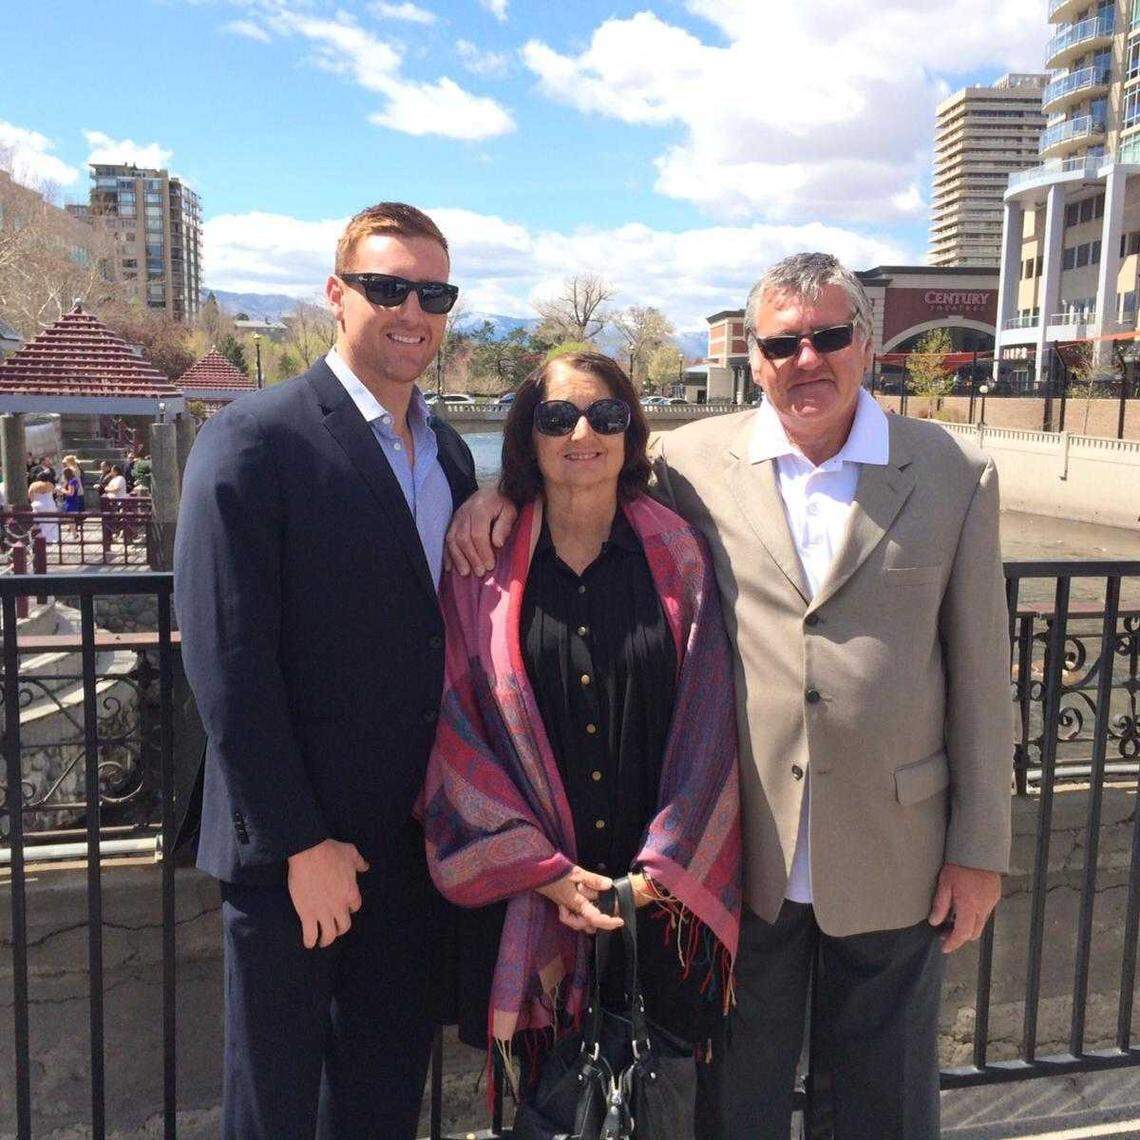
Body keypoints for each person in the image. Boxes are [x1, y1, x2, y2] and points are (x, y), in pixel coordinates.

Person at [445, 252, 1013, 1139]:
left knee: (887, 1101)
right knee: (737, 1099)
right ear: (755, 356)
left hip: (898, 846)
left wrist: (980, 850)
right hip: (748, 849)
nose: (806, 360)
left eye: (829, 337)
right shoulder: (693, 459)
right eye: (783, 343)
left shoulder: (952, 472)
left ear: (865, 345)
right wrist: (496, 497)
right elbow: (581, 469)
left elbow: (982, 678)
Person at [175, 201, 476, 1140]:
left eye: (434, 294)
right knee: (272, 1108)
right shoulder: (255, 439)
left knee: (381, 1102)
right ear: (336, 293)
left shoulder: (450, 453)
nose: (412, 311)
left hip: (411, 848)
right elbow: (227, 661)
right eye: (388, 288)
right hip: (294, 857)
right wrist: (300, 844)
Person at [420, 352, 742, 1108]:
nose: (582, 434)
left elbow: (711, 726)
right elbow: (456, 736)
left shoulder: (680, 556)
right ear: (527, 438)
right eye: (557, 417)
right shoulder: (479, 567)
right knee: (552, 1110)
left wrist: (656, 876)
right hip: (528, 895)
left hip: (659, 898)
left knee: (660, 1105)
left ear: (631, 434)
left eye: (606, 415)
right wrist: (543, 871)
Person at [28, 479, 59, 544]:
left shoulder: (33, 485)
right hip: (50, 504)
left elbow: (30, 496)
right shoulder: (50, 484)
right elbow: (54, 493)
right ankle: (51, 539)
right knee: (51, 522)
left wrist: (33, 502)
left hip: (38, 505)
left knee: (39, 523)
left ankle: (40, 538)